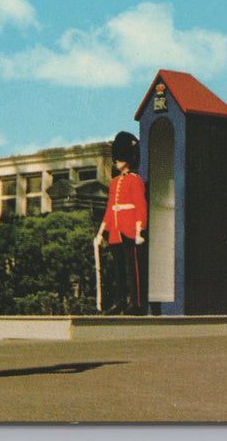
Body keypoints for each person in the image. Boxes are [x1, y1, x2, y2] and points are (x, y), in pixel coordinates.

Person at [94, 132, 147, 315]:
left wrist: (140, 230)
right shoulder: (114, 182)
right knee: (119, 269)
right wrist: (101, 233)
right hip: (116, 230)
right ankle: (120, 301)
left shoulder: (135, 180)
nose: (116, 161)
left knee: (134, 269)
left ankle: (137, 302)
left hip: (130, 228)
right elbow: (110, 208)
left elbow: (140, 206)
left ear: (128, 158)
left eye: (119, 157)